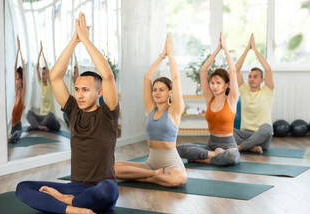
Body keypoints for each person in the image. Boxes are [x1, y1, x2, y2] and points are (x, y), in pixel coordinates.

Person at [15, 12, 119, 214]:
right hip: (75, 187)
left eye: (85, 90)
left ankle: (65, 202)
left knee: (108, 190)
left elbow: (107, 75)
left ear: (99, 93)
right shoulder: (73, 111)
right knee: (22, 188)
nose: (79, 94)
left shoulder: (107, 113)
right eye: (77, 89)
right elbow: (55, 76)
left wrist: (86, 41)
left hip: (100, 188)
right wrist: (74, 39)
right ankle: (74, 208)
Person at [115, 34, 187, 187]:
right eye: (155, 90)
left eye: (162, 90)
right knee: (112, 168)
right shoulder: (150, 109)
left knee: (179, 179)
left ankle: (146, 177)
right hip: (151, 163)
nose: (157, 93)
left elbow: (176, 77)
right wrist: (162, 55)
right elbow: (147, 78)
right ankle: (153, 175)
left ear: (170, 92)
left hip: (171, 163)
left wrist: (171, 55)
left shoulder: (174, 110)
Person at [177, 33, 240, 166]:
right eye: (213, 83)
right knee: (179, 149)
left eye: (218, 83)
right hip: (211, 145)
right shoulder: (209, 98)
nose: (214, 86)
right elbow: (203, 70)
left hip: (229, 146)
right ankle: (213, 156)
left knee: (231, 157)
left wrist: (225, 49)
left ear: (226, 84)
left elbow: (233, 71)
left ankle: (202, 159)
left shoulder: (232, 99)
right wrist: (217, 49)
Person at [233, 34, 274, 154]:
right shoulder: (244, 90)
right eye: (250, 76)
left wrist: (255, 49)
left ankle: (241, 147)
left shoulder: (267, 90)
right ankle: (251, 147)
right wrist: (247, 49)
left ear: (262, 80)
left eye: (255, 77)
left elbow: (268, 70)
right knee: (227, 131)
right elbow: (236, 70)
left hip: (261, 136)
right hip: (245, 133)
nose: (251, 79)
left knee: (267, 128)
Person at [26, 41, 60, 132]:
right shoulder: (41, 83)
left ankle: (36, 126)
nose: (43, 75)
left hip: (50, 118)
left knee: (50, 116)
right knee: (29, 113)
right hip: (42, 116)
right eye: (42, 74)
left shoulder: (49, 84)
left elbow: (48, 69)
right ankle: (40, 126)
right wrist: (39, 53)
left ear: (48, 75)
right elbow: (37, 68)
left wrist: (43, 54)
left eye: (44, 74)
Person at [8, 36, 26, 144]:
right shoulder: (16, 93)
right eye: (15, 79)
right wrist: (17, 50)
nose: (16, 81)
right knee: (9, 138)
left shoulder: (22, 94)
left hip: (18, 129)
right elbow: (14, 68)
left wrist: (21, 51)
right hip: (12, 128)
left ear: (22, 80)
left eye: (18, 79)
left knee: (12, 138)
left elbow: (22, 69)